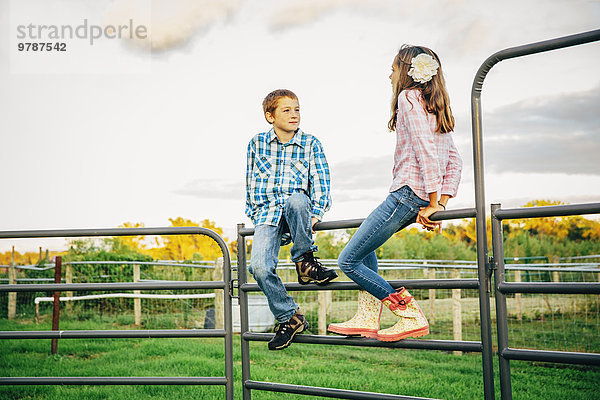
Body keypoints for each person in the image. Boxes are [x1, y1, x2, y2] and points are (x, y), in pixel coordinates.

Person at [328, 45, 462, 342]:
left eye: (393, 68)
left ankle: (410, 314)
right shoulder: (434, 105)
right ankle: (366, 317)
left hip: (406, 195)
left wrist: (431, 202)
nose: (389, 74)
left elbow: (426, 154)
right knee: (365, 247)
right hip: (417, 196)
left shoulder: (408, 98)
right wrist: (440, 202)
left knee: (347, 260)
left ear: (406, 72)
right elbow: (454, 160)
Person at [246, 89, 338, 350]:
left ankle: (304, 261)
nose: (294, 114)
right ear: (270, 116)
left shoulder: (311, 144)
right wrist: (254, 212)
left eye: (297, 109)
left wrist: (316, 213)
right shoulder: (256, 144)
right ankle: (289, 316)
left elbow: (321, 182)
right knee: (259, 268)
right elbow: (250, 181)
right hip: (267, 213)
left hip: (298, 213)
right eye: (286, 110)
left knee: (298, 199)